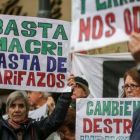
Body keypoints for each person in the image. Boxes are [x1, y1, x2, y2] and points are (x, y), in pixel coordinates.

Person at [0, 74, 75, 140]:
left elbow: (56, 119)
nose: (17, 110)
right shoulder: (2, 128)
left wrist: (67, 91)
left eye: (21, 106)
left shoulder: (36, 128)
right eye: (12, 106)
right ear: (7, 109)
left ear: (27, 109)